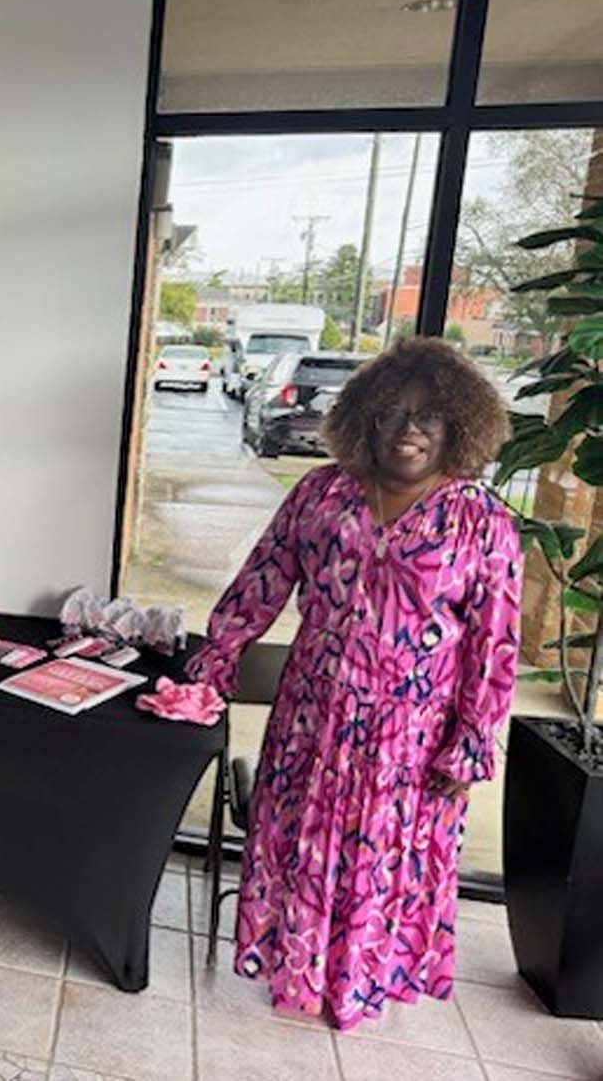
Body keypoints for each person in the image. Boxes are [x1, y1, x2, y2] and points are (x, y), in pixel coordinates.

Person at [187, 337, 520, 1030]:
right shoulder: (322, 493)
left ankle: (359, 986)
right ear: (364, 419)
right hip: (313, 717)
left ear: (457, 426)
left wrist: (472, 743)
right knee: (303, 847)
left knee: (383, 863)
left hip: (412, 740)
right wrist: (218, 655)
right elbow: (262, 581)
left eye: (428, 416)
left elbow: (495, 647)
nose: (408, 429)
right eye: (392, 414)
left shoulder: (480, 523)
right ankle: (300, 971)